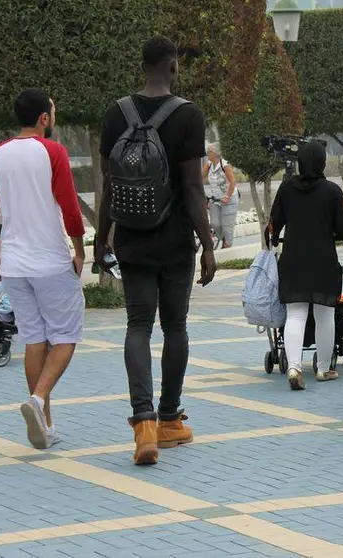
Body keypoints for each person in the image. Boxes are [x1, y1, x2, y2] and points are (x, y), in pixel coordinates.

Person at [95, 36, 216, 466]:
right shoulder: (188, 115)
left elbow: (109, 183)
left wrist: (100, 237)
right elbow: (192, 187)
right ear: (173, 66)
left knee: (138, 325)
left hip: (130, 237)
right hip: (174, 240)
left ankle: (142, 422)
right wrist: (207, 245)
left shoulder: (115, 113)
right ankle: (168, 419)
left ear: (142, 65)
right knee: (176, 327)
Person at [0, 88, 86, 450]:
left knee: (34, 340)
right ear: (44, 118)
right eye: (52, 112)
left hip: (14, 264)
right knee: (66, 336)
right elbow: (70, 208)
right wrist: (81, 250)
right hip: (50, 260)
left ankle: (46, 425)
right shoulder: (53, 151)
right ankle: (38, 401)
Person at [271, 141, 343, 391]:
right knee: (325, 314)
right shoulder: (332, 191)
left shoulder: (286, 189)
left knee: (295, 314)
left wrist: (274, 240)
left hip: (293, 260)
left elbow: (273, 227)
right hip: (323, 261)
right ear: (321, 162)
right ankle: (323, 369)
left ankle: (294, 367)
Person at [202, 142, 239, 249]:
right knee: (215, 224)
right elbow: (200, 180)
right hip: (215, 199)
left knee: (227, 227)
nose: (207, 154)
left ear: (215, 153)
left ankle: (227, 248)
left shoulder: (225, 165)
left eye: (209, 152)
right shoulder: (208, 165)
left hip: (229, 199)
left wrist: (227, 197)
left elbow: (233, 182)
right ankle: (224, 241)